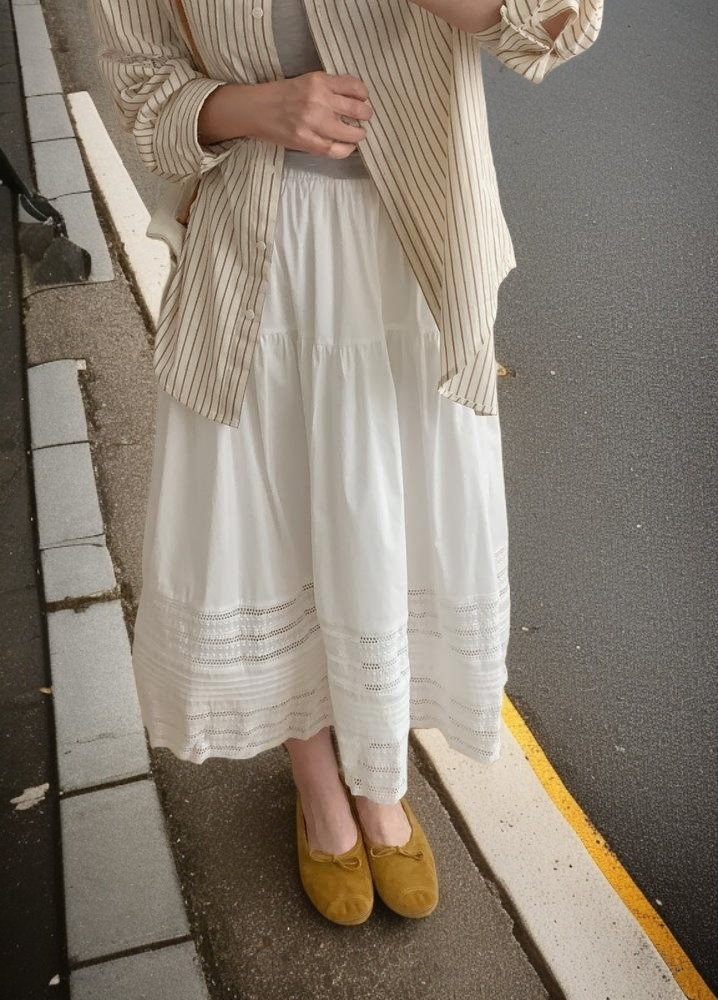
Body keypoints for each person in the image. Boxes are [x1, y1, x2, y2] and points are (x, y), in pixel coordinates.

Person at [88, 0, 603, 926]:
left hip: (414, 261)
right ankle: (320, 784)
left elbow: (558, 26)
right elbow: (143, 86)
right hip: (257, 262)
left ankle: (378, 780)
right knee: (277, 532)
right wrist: (256, 108)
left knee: (380, 534)